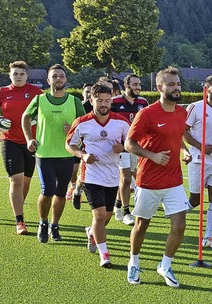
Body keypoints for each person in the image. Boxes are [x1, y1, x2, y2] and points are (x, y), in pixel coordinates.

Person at [124, 66, 191, 288]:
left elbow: (177, 135)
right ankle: (133, 262)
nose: (176, 88)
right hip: (149, 180)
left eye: (178, 84)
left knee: (180, 225)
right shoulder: (147, 113)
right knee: (142, 225)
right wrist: (151, 155)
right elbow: (129, 144)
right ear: (160, 87)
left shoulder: (182, 113)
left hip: (174, 180)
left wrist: (184, 150)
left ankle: (165, 264)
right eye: (171, 84)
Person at [66, 83, 130, 267]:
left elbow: (132, 142)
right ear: (91, 100)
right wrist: (83, 155)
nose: (104, 104)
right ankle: (105, 255)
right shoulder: (82, 122)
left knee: (106, 217)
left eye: (107, 100)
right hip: (91, 176)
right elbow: (69, 144)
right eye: (100, 100)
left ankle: (92, 232)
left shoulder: (121, 122)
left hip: (112, 176)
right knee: (100, 215)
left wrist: (123, 147)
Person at [22, 64, 85, 243]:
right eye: (55, 76)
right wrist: (29, 139)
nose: (58, 79)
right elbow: (25, 117)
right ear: (48, 80)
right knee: (47, 191)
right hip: (45, 154)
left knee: (60, 192)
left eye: (61, 76)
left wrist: (73, 129)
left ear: (66, 80)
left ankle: (54, 225)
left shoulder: (74, 101)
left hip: (66, 154)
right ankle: (43, 222)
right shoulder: (40, 100)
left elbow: (85, 123)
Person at [0, 61, 44, 234]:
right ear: (10, 75)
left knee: (25, 182)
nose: (18, 77)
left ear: (26, 75)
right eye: (15, 74)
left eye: (21, 74)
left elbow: (47, 108)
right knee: (15, 180)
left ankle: (19, 208)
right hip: (9, 141)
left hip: (31, 142)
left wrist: (38, 119)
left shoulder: (35, 92)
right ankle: (20, 221)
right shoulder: (2, 92)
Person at [183, 75, 212, 249]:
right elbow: (184, 131)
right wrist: (200, 146)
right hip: (198, 160)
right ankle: (174, 213)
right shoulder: (195, 108)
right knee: (195, 200)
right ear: (207, 88)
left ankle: (208, 236)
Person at [111, 74, 149, 225]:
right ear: (126, 85)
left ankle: (118, 205)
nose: (138, 87)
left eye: (139, 84)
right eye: (134, 84)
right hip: (121, 147)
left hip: (136, 147)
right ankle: (127, 211)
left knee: (131, 179)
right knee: (126, 178)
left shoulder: (143, 102)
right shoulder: (115, 102)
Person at [66, 83, 94, 209]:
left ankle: (78, 191)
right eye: (86, 91)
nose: (88, 94)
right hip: (78, 144)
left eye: (90, 91)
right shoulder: (80, 106)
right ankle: (73, 186)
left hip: (90, 145)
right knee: (74, 171)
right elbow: (73, 121)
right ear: (83, 93)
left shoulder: (99, 107)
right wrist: (70, 127)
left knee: (86, 172)